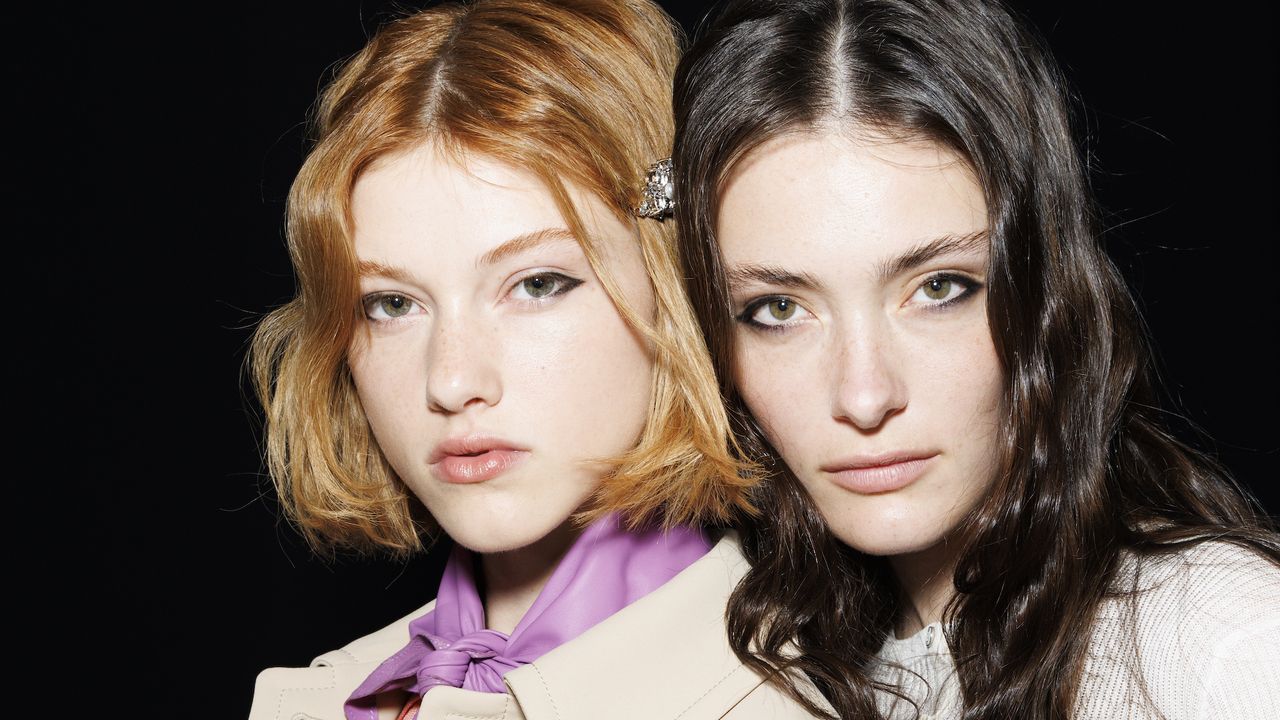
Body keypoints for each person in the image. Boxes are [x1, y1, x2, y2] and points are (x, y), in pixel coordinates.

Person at [670, 0, 1280, 718]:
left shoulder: (1227, 642)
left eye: (939, 288)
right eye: (777, 308)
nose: (865, 396)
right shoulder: (778, 668)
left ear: (1045, 292)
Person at [245, 1, 826, 718]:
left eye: (537, 285)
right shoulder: (335, 690)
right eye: (391, 304)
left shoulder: (774, 701)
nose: (452, 382)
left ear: (672, 283)